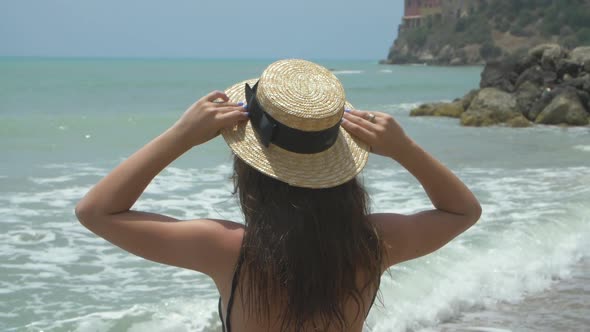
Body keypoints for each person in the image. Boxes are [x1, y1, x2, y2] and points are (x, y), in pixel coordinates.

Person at [75, 59, 481, 332]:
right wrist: (404, 149)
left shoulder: (229, 250)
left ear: (248, 167)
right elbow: (462, 211)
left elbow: (96, 211)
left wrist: (179, 137)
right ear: (338, 160)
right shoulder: (371, 243)